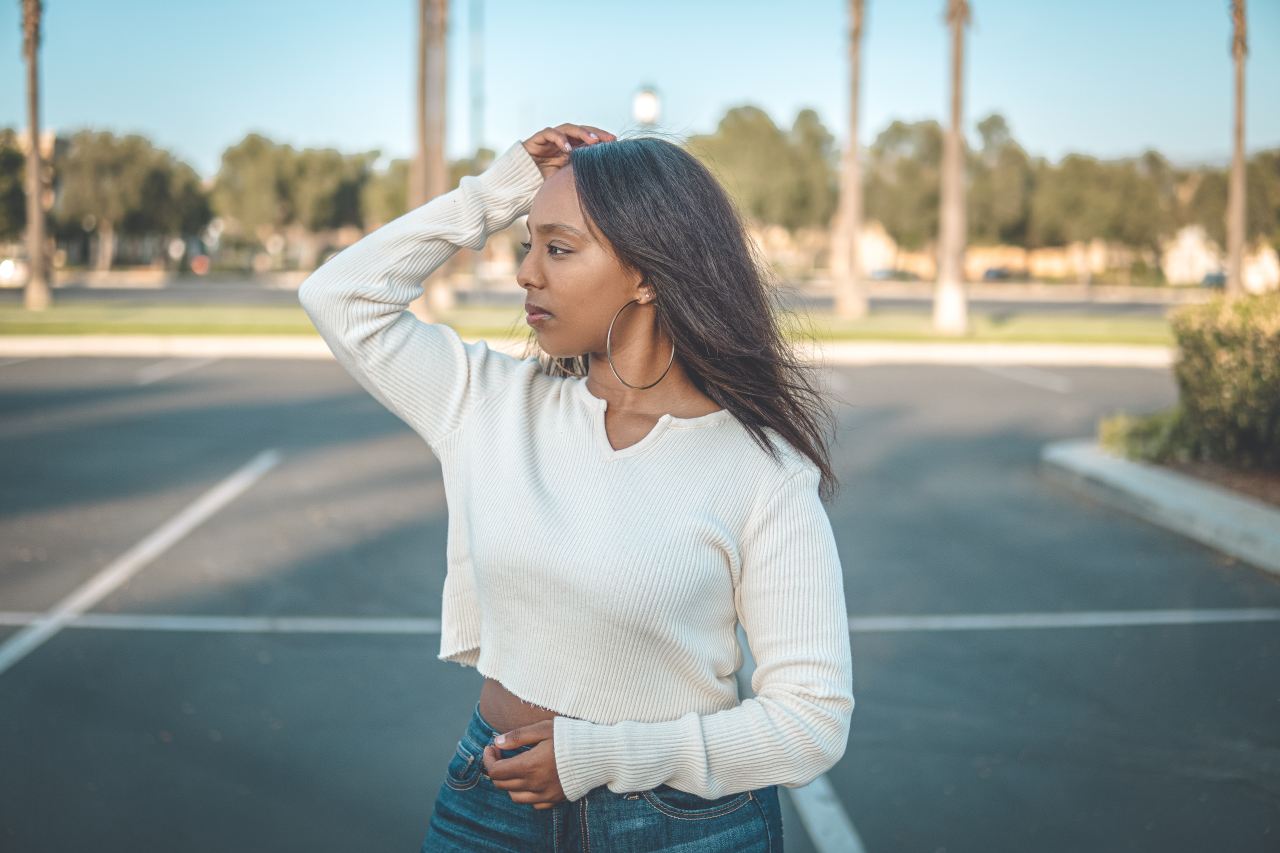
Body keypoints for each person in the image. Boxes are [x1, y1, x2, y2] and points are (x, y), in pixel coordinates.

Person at [297, 122, 854, 852]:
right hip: (492, 799)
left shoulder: (762, 467)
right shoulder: (486, 403)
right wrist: (498, 191)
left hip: (683, 823)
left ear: (649, 272)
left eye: (558, 248)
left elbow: (809, 721)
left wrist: (596, 758)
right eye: (527, 243)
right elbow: (339, 295)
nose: (527, 272)